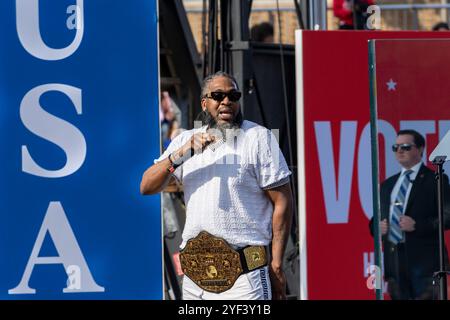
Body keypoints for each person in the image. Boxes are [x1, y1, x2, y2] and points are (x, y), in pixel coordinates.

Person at [140, 71, 293, 300]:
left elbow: (283, 202)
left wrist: (277, 263)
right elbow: (147, 186)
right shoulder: (185, 141)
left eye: (233, 95)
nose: (226, 101)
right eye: (218, 95)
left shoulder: (258, 138)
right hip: (196, 278)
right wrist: (180, 156)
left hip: (244, 276)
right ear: (205, 103)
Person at [369, 129, 450, 300]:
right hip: (395, 265)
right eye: (395, 147)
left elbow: (447, 216)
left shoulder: (434, 179)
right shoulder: (388, 185)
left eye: (405, 146)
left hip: (425, 266)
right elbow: (376, 218)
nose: (399, 150)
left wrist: (417, 225)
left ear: (420, 149)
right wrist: (377, 226)